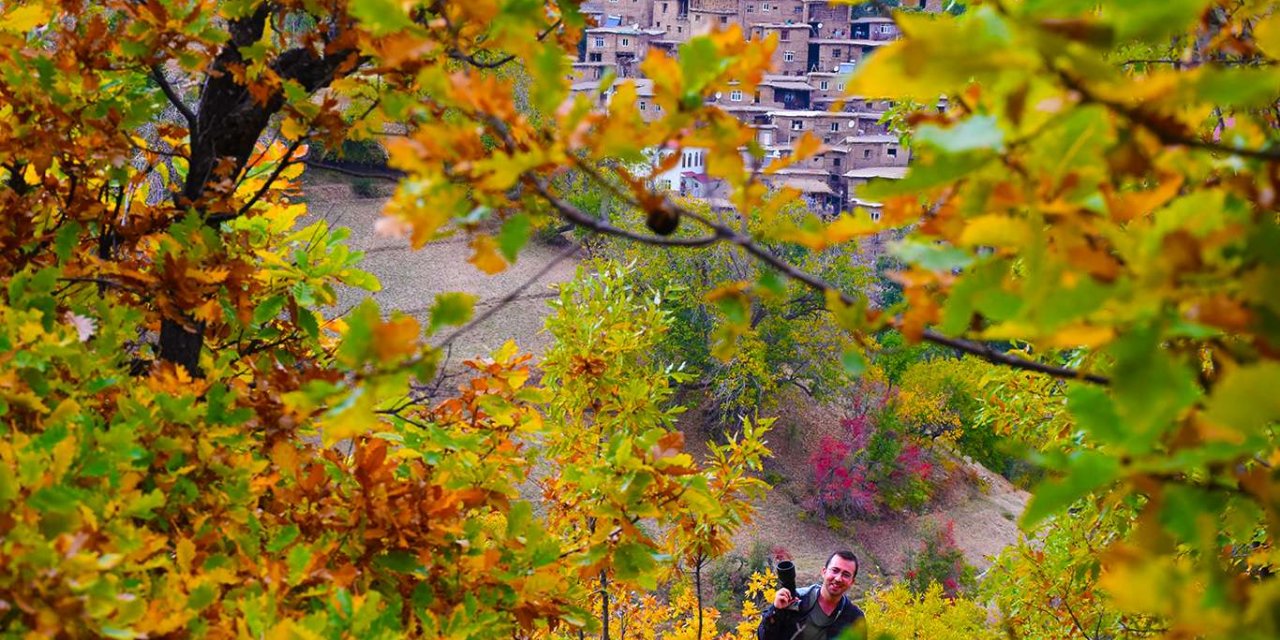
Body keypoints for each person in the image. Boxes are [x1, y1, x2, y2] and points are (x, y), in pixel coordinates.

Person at [756, 551, 867, 640]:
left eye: (846, 574)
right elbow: (764, 637)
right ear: (824, 572)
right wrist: (776, 610)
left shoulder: (855, 618)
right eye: (835, 570)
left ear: (852, 582)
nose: (838, 578)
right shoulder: (794, 599)